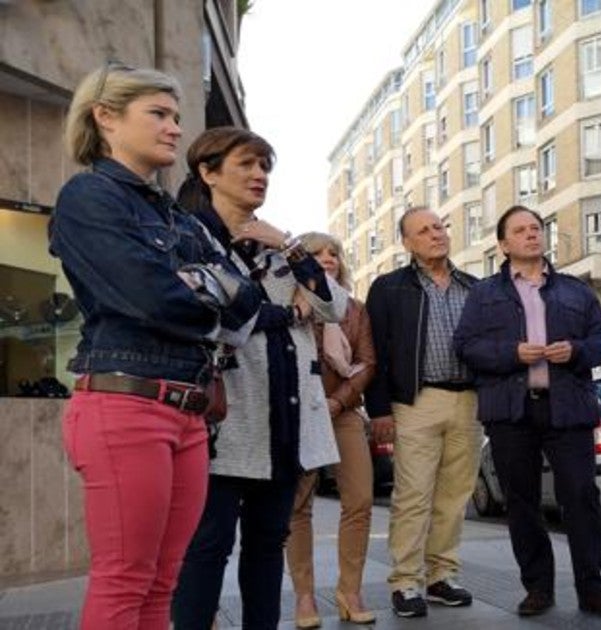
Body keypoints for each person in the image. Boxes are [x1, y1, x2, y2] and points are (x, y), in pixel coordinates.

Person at [50, 63, 259, 630]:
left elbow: (247, 302)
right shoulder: (89, 198)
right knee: (125, 581)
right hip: (125, 405)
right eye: (159, 115)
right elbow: (155, 299)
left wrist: (201, 289)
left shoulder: (174, 215)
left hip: (188, 412)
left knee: (163, 584)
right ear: (107, 117)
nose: (174, 129)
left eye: (176, 117)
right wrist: (203, 290)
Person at [170, 127, 349, 630]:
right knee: (208, 546)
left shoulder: (277, 248)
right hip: (222, 423)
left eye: (265, 167)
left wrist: (291, 248)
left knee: (269, 542)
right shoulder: (189, 238)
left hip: (283, 419)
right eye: (247, 164)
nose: (259, 176)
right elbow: (214, 317)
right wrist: (285, 316)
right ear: (208, 172)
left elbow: (333, 306)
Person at [453, 205, 601, 619]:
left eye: (536, 228)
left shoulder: (575, 290)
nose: (532, 234)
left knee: (582, 498)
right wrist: (511, 353)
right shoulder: (483, 294)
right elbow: (466, 347)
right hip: (510, 413)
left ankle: (593, 589)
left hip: (568, 409)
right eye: (521, 230)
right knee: (521, 502)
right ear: (503, 244)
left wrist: (577, 351)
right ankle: (537, 587)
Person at [362, 206, 482, 618]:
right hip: (415, 402)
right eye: (424, 230)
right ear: (407, 243)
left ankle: (441, 577)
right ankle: (405, 581)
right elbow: (374, 351)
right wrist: (378, 410)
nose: (436, 234)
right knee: (413, 495)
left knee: (454, 496)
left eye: (439, 226)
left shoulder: (473, 286)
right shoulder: (389, 288)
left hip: (468, 400)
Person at [286, 232, 377, 627]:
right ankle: (305, 597)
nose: (328, 258)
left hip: (343, 412)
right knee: (297, 507)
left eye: (334, 253)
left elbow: (367, 362)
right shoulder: (290, 305)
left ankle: (349, 590)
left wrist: (339, 401)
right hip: (301, 413)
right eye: (317, 253)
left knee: (359, 499)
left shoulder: (354, 309)